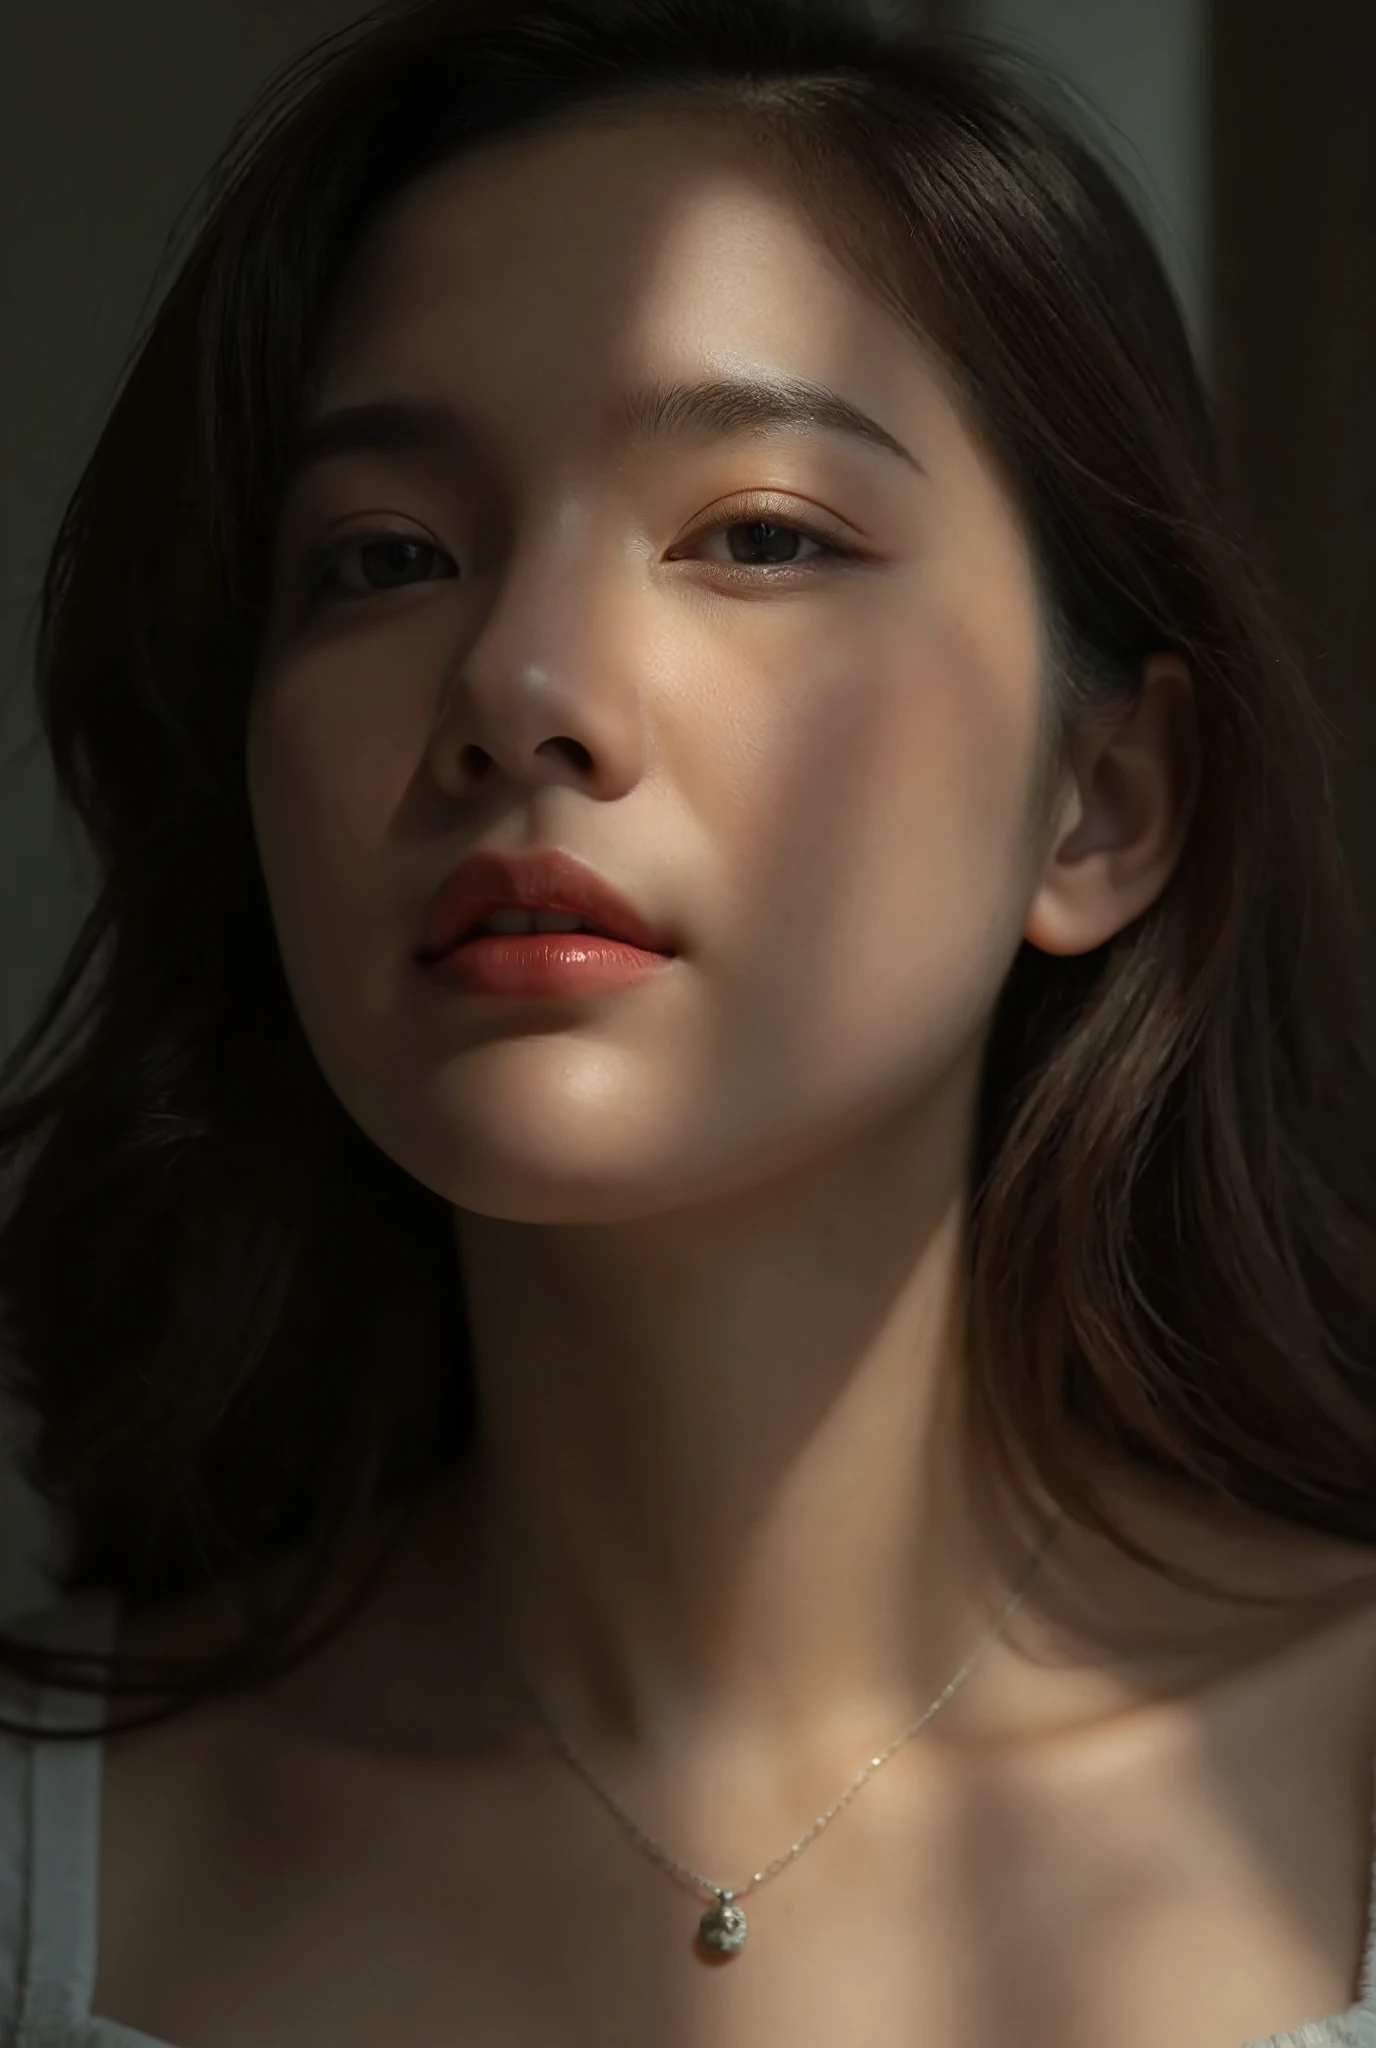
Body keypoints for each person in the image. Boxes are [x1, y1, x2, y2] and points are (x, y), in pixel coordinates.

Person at [2, 0, 1376, 2041]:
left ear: (1102, 801)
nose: (522, 679)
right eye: (384, 557)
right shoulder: (52, 1859)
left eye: (756, 535)